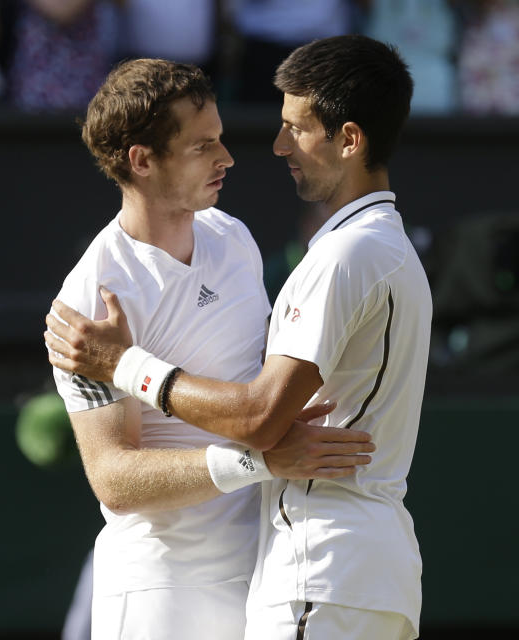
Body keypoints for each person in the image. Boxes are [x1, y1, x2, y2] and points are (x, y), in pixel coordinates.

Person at [46, 36, 427, 640]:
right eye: (203, 146)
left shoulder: (235, 240)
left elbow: (268, 401)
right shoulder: (89, 303)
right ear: (143, 161)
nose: (228, 157)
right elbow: (115, 481)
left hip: (269, 576)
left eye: (221, 136)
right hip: (160, 591)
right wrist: (256, 459)